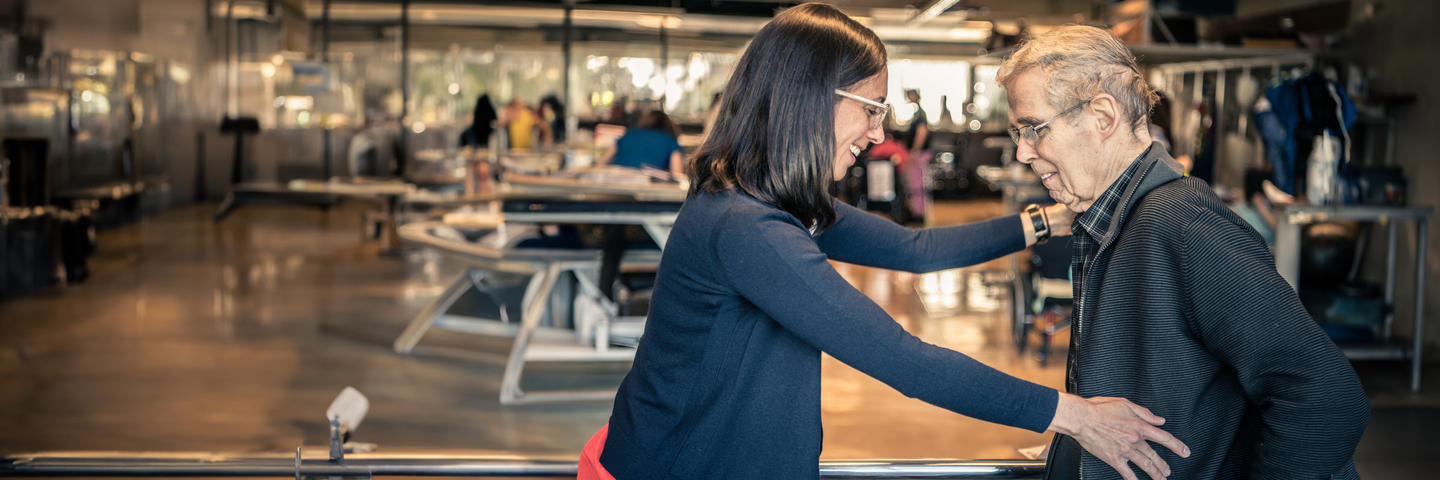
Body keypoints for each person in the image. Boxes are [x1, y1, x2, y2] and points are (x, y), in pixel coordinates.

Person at [579, 4, 1189, 480]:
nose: (878, 132)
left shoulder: (781, 203)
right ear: (811, 97)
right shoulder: (745, 227)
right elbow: (901, 358)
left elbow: (914, 250)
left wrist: (1049, 219)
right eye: (871, 109)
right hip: (680, 467)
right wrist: (1076, 416)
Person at [997, 25, 1368, 480]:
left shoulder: (1180, 223)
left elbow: (1325, 396)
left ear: (1102, 115)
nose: (1022, 152)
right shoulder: (1113, 222)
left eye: (1034, 129)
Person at [596, 110, 684, 176]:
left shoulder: (630, 133)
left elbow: (600, 163)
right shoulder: (670, 140)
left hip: (615, 181)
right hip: (647, 188)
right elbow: (677, 175)